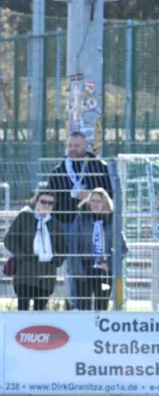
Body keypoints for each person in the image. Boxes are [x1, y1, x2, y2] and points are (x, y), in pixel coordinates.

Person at [46, 132, 113, 308]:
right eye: (70, 146)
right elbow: (52, 198)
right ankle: (73, 304)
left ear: (86, 146)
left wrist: (89, 196)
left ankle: (98, 305)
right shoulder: (59, 170)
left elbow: (109, 195)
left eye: (77, 146)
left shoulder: (99, 167)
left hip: (92, 223)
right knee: (72, 267)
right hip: (67, 224)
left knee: (94, 263)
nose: (73, 149)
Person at [3, 191, 66, 311]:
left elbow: (63, 249)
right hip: (25, 274)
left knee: (40, 311)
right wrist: (24, 256)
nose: (46, 205)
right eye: (43, 202)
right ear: (36, 202)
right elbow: (9, 240)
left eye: (50, 203)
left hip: (46, 276)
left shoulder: (56, 225)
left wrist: (56, 261)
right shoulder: (24, 217)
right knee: (23, 310)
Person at [70, 188, 126, 311]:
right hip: (85, 268)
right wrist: (79, 272)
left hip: (104, 270)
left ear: (105, 203)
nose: (95, 204)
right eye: (92, 201)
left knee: (101, 308)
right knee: (83, 308)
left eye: (99, 201)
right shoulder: (80, 219)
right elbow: (73, 247)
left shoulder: (112, 221)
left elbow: (122, 248)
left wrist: (109, 264)